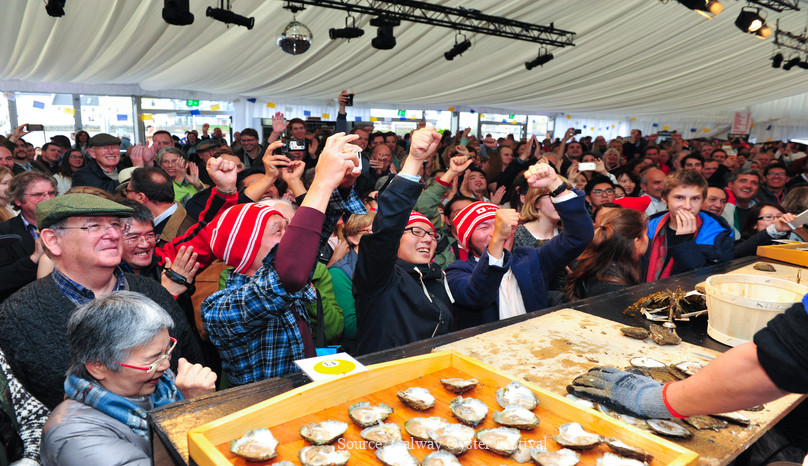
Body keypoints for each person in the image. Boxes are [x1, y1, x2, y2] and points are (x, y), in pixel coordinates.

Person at [0, 193, 203, 409]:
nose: (114, 235)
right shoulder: (17, 316)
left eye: (116, 225)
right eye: (94, 226)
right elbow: (20, 414)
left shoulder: (154, 293)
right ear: (52, 240)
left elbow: (193, 366)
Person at [201, 132, 364, 385]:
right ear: (247, 247)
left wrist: (339, 184)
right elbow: (288, 274)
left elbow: (318, 229)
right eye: (279, 231)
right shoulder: (220, 308)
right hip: (266, 407)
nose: (291, 238)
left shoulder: (285, 273)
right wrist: (321, 182)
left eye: (291, 228)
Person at [39, 292, 216, 466]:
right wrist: (193, 411)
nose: (165, 365)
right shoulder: (74, 437)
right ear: (97, 366)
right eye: (153, 358)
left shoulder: (160, 383)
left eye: (167, 351)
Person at [445, 163, 593, 329]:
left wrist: (555, 186)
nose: (497, 231)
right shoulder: (456, 272)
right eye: (483, 227)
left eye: (500, 225)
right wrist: (497, 240)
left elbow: (579, 236)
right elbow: (478, 295)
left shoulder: (530, 258)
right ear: (467, 239)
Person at [354, 128, 458, 355]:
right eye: (416, 231)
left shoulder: (437, 276)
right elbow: (388, 226)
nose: (427, 239)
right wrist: (414, 160)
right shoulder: (379, 278)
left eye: (431, 234)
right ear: (396, 238)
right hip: (387, 372)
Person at [642, 169, 733, 282]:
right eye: (679, 198)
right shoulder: (647, 228)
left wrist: (684, 242)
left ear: (702, 201)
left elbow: (708, 281)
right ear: (665, 198)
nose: (687, 206)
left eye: (695, 199)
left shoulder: (718, 234)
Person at [566, 208, 647, 299]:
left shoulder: (597, 264)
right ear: (636, 243)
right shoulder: (615, 288)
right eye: (646, 233)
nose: (648, 238)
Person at [0, 172, 56, 302]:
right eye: (38, 194)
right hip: (23, 303)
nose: (48, 199)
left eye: (51, 193)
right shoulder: (4, 232)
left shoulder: (68, 225)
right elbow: (3, 279)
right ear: (18, 200)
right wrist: (34, 257)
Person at [328, 212, 375, 347]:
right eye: (370, 231)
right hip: (361, 349)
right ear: (353, 238)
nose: (378, 235)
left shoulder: (391, 263)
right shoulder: (340, 272)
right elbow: (350, 327)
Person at [124, 167, 195, 245]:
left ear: (141, 197)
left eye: (128, 191)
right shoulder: (150, 222)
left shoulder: (185, 234)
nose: (126, 197)